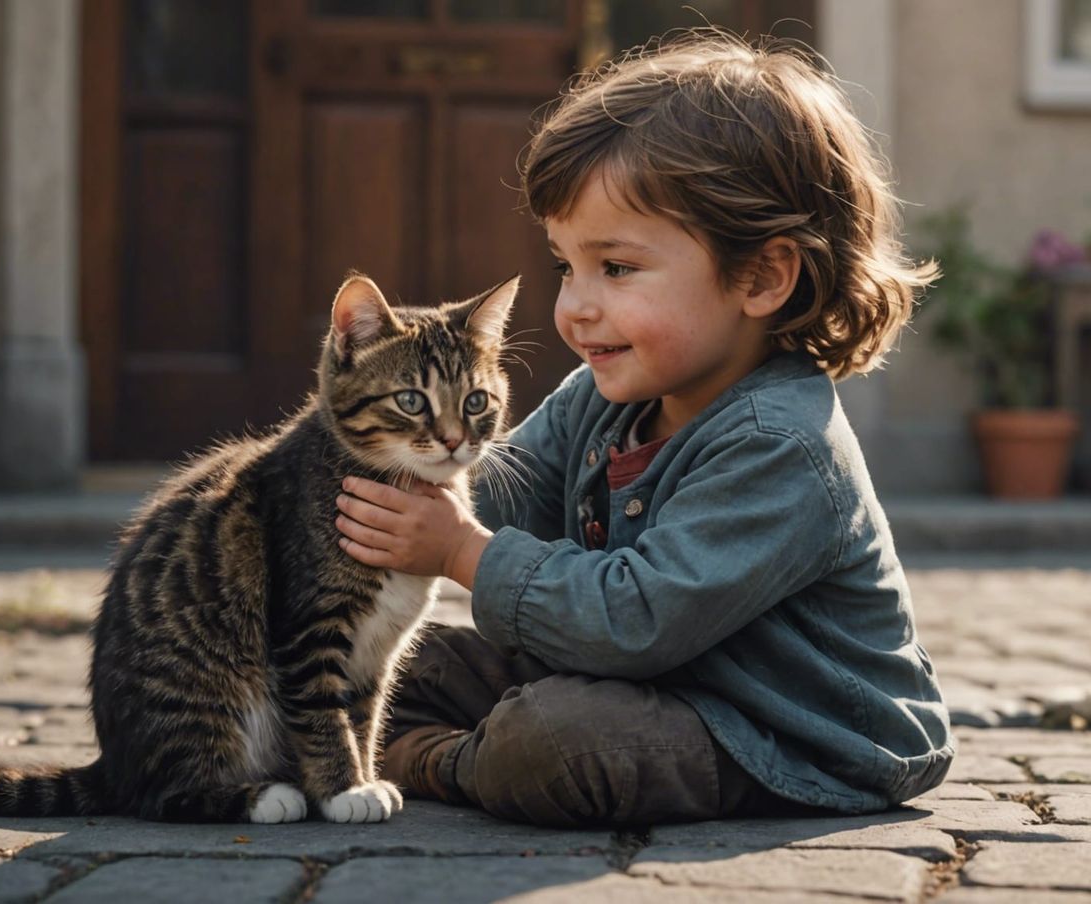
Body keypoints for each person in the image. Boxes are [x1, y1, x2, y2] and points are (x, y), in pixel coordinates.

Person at [333, 30, 953, 828]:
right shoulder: (603, 395)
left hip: (778, 732)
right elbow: (492, 492)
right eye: (565, 266)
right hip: (644, 685)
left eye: (616, 268)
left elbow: (635, 622)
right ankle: (380, 739)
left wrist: (458, 549)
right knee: (398, 664)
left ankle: (441, 760)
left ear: (762, 276)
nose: (575, 306)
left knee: (555, 738)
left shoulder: (782, 444)